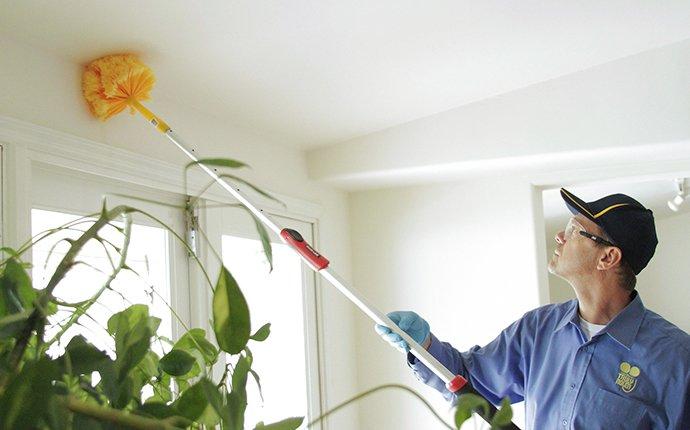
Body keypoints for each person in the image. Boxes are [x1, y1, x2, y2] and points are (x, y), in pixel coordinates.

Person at [375, 188, 690, 429]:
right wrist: (423, 345)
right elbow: (472, 382)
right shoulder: (538, 330)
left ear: (607, 258)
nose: (559, 236)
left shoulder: (675, 359)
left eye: (573, 229)